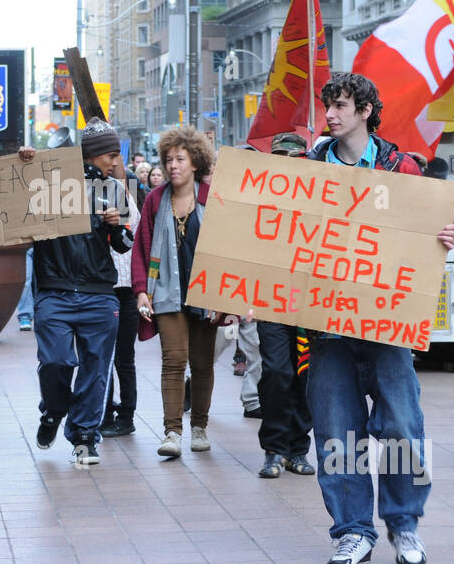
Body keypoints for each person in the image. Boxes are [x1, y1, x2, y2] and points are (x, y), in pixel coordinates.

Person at [304, 72, 454, 564]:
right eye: (328, 105)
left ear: (366, 109)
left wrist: (442, 235)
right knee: (336, 434)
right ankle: (352, 533)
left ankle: (403, 523)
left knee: (402, 429)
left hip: (387, 330)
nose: (330, 114)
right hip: (328, 333)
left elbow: (431, 236)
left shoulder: (404, 168)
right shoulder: (307, 170)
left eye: (341, 105)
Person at [20, 118, 132, 465]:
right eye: (111, 155)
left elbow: (125, 244)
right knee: (56, 361)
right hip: (54, 289)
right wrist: (24, 163)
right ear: (95, 154)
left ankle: (84, 436)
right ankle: (54, 410)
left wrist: (118, 227)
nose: (115, 161)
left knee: (96, 368)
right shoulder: (47, 182)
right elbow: (12, 202)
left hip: (99, 291)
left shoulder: (114, 190)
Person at [131, 125, 236, 459]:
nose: (173, 165)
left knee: (203, 363)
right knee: (173, 360)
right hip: (165, 292)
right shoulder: (154, 200)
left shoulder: (212, 197)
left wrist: (227, 295)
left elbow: (228, 248)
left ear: (195, 163)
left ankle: (199, 426)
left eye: (180, 159)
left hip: (205, 294)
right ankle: (172, 432)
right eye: (169, 159)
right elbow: (140, 247)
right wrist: (141, 291)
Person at [255, 133, 316, 479]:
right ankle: (274, 449)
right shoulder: (261, 201)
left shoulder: (318, 203)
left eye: (293, 158)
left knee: (304, 375)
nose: (287, 163)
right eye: (280, 157)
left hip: (309, 304)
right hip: (271, 300)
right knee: (277, 371)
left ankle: (297, 449)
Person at [101, 156, 142, 437]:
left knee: (124, 357)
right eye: (109, 156)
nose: (114, 162)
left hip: (128, 289)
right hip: (103, 288)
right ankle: (102, 414)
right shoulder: (88, 192)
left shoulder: (135, 192)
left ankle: (126, 416)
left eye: (117, 157)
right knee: (101, 356)